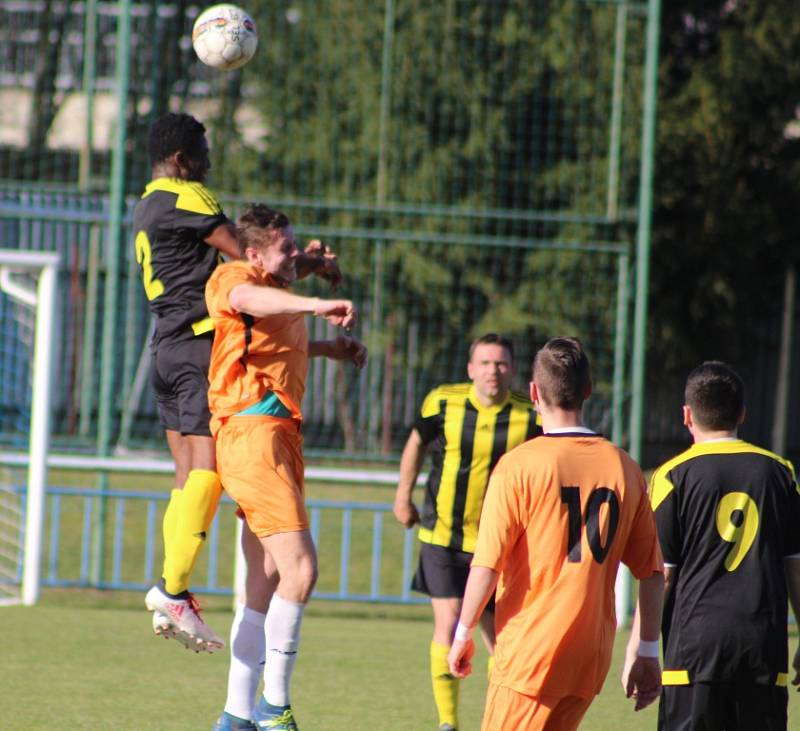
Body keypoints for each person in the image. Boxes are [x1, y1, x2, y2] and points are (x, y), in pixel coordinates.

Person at [135, 112, 340, 652]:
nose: (210, 158)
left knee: (186, 477)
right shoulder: (190, 196)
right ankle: (172, 588)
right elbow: (245, 257)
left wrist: (303, 269)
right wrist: (305, 270)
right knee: (207, 472)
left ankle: (172, 586)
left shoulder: (145, 202)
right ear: (182, 160)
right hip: (199, 347)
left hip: (166, 347)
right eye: (203, 149)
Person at [448, 336, 665, 731]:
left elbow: (487, 563)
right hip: (589, 655)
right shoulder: (624, 467)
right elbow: (651, 571)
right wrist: (648, 651)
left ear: (533, 392)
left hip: (533, 651)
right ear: (588, 391)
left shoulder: (520, 466)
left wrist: (462, 632)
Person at [205, 204, 367, 731]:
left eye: (295, 245)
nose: (295, 254)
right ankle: (274, 707)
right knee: (301, 571)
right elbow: (248, 299)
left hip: (276, 435)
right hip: (253, 434)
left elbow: (273, 342)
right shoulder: (235, 276)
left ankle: (235, 714)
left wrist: (328, 349)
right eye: (285, 248)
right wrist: (318, 302)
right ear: (254, 253)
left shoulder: (279, 291)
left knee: (267, 578)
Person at [623, 361, 800, 731]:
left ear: (687, 415)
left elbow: (662, 575)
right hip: (762, 651)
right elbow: (794, 565)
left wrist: (642, 648)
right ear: (743, 414)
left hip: (693, 652)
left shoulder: (672, 476)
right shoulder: (780, 472)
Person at [392, 333, 540, 731]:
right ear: (471, 369)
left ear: (512, 369)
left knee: (501, 641)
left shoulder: (532, 415)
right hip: (443, 535)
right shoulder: (442, 402)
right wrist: (402, 495)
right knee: (451, 621)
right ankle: (448, 723)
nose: (494, 370)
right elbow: (416, 444)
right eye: (486, 363)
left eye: (502, 363)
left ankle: (502, 721)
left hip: (501, 545)